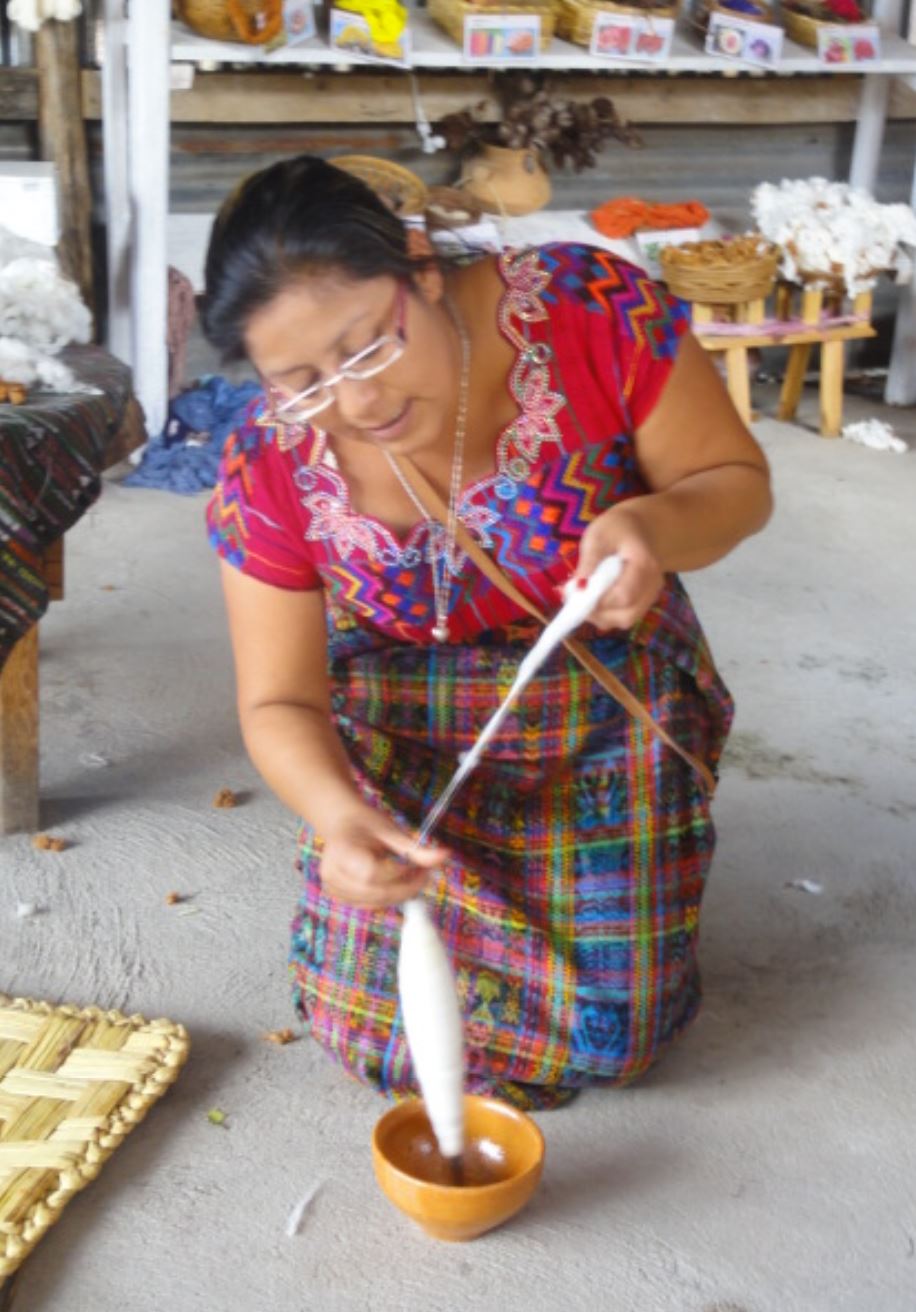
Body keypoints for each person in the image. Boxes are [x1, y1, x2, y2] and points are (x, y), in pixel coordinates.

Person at [204, 155, 772, 1110]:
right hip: (401, 731)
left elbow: (736, 484)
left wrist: (649, 530)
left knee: (616, 1034)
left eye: (367, 347)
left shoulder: (589, 310)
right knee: (375, 1036)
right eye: (300, 382)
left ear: (419, 268)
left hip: (597, 697)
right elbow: (279, 700)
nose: (357, 404)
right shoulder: (268, 463)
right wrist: (339, 819)